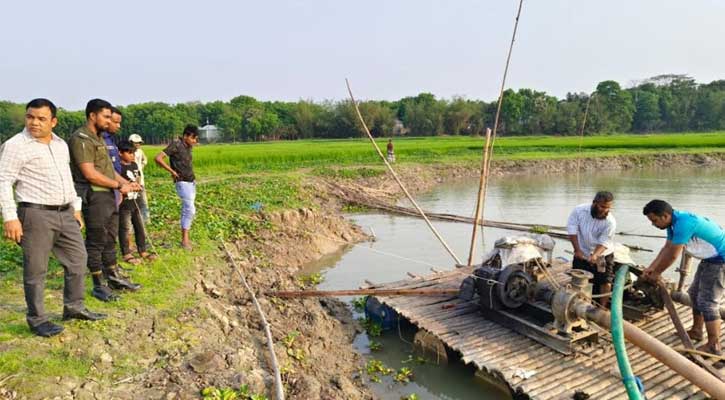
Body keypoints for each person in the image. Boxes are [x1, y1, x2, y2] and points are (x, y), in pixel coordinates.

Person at [0, 98, 106, 337]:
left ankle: (74, 307)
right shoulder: (16, 145)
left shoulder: (60, 145)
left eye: (41, 119)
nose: (34, 123)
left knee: (78, 259)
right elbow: (3, 181)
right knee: (36, 269)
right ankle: (37, 319)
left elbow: (66, 178)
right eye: (30, 117)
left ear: (53, 122)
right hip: (35, 214)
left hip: (65, 212)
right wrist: (10, 217)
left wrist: (76, 208)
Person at [68, 99, 141, 301]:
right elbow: (90, 173)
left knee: (110, 238)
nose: (109, 121)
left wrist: (126, 183)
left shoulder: (100, 138)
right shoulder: (81, 138)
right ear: (93, 115)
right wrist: (119, 186)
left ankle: (113, 276)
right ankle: (98, 284)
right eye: (106, 117)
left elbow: (108, 171)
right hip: (94, 195)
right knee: (96, 240)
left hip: (108, 195)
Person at [642, 199, 725, 356]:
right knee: (693, 294)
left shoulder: (684, 223)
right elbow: (667, 248)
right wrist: (651, 268)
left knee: (708, 302)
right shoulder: (673, 223)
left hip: (721, 260)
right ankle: (697, 330)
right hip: (710, 259)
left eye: (654, 220)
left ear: (665, 215)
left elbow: (673, 254)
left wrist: (657, 273)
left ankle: (714, 346)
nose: (653, 224)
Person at [566, 191, 617, 304]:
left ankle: (602, 307)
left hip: (602, 255)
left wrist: (595, 255)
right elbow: (572, 230)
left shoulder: (610, 222)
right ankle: (579, 304)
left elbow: (605, 241)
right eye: (602, 206)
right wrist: (577, 250)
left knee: (605, 281)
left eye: (608, 208)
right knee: (578, 277)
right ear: (594, 203)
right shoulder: (579, 211)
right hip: (582, 251)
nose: (605, 210)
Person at [155, 125, 198, 250]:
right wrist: (172, 171)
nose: (195, 141)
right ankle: (185, 241)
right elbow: (158, 158)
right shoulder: (176, 144)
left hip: (191, 182)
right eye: (193, 138)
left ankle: (186, 239)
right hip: (182, 182)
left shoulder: (188, 147)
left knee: (191, 210)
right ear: (185, 136)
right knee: (189, 210)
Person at [117, 140, 156, 264]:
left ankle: (142, 250)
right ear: (120, 153)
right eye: (129, 153)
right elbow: (117, 184)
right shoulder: (117, 168)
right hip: (124, 204)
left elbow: (138, 178)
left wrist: (138, 185)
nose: (132, 155)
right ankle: (126, 253)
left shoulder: (134, 165)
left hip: (136, 202)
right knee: (125, 228)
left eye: (133, 153)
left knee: (140, 227)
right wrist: (127, 186)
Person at [128, 133, 149, 223]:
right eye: (135, 143)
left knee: (143, 201)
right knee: (132, 201)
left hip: (140, 179)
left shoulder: (140, 151)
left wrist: (141, 166)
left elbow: (145, 159)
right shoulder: (127, 152)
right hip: (130, 180)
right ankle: (133, 220)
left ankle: (146, 220)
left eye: (139, 143)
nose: (137, 145)